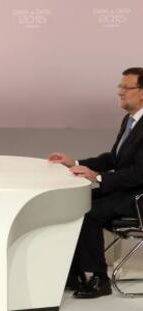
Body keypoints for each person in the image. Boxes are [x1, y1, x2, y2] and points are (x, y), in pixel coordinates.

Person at [48, 67, 143, 299]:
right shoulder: (130, 120)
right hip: (124, 193)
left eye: (126, 87)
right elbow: (113, 159)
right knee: (74, 204)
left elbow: (139, 174)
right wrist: (75, 162)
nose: (120, 92)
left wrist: (97, 177)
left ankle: (99, 278)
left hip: (138, 198)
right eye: (119, 87)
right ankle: (74, 273)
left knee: (88, 212)